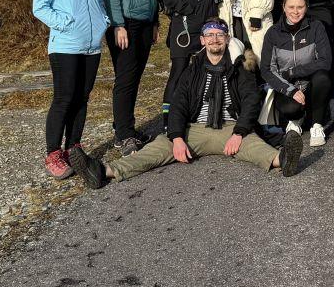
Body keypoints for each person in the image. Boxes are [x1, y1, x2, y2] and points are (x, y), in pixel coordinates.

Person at [69, 19, 304, 187]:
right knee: (157, 149)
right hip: (195, 129)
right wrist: (177, 137)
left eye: (219, 35)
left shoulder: (239, 68)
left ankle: (283, 160)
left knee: (255, 146)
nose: (214, 39)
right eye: (210, 35)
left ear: (226, 39)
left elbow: (251, 101)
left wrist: (239, 132)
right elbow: (178, 105)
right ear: (202, 40)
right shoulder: (192, 70)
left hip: (231, 128)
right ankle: (103, 171)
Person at [32, 0, 109, 179]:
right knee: (64, 98)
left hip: (92, 46)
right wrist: (65, 23)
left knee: (82, 97)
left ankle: (73, 148)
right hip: (65, 45)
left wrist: (103, 21)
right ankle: (53, 154)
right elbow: (40, 7)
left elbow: (98, 2)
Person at [101, 0, 162, 154]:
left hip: (145, 22)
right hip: (125, 22)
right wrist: (117, 25)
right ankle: (124, 136)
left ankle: (124, 128)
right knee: (125, 79)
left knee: (135, 78)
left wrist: (155, 21)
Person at [262, 0, 334, 150]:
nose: (295, 11)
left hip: (311, 84)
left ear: (306, 7)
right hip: (287, 86)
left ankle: (317, 125)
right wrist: (290, 90)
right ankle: (296, 119)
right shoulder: (273, 33)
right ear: (283, 7)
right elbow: (266, 70)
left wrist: (293, 72)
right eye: (291, 7)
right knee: (291, 108)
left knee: (323, 78)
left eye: (300, 7)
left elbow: (325, 61)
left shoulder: (316, 27)